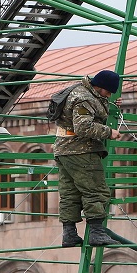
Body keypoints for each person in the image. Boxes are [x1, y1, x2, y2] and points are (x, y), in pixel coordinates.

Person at [53, 70, 122, 247]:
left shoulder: (81, 91)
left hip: (64, 150)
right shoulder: (84, 98)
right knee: (95, 190)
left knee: (70, 193)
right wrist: (109, 132)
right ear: (100, 86)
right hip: (81, 150)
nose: (109, 95)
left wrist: (110, 104)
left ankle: (69, 234)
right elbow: (83, 127)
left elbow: (94, 109)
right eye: (108, 91)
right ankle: (96, 233)